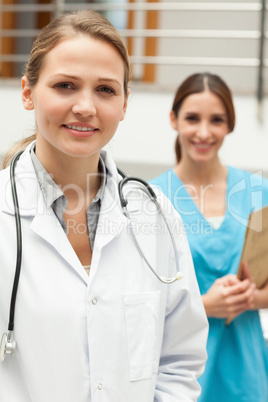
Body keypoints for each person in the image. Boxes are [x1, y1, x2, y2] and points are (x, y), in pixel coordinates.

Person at [0, 11, 208, 402]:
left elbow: (180, 359)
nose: (85, 106)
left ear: (126, 103)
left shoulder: (156, 214)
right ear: (27, 92)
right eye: (65, 85)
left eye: (106, 90)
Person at [150, 72, 268, 402]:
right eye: (192, 118)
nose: (204, 132)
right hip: (178, 373)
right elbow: (134, 300)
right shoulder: (149, 198)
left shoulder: (259, 193)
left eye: (216, 120)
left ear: (230, 124)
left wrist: (250, 299)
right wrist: (203, 306)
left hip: (246, 370)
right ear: (173, 119)